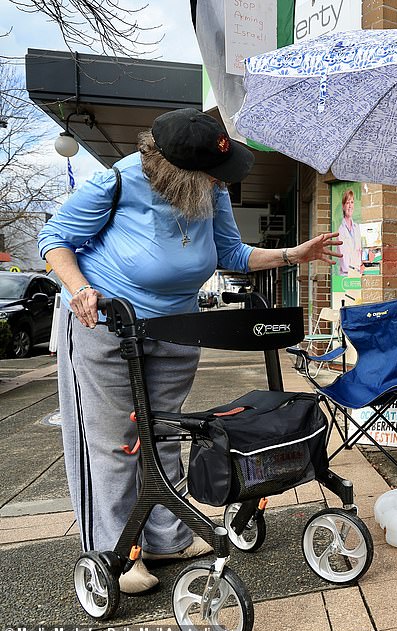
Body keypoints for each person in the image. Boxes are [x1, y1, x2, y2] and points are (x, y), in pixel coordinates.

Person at [38, 108, 341, 595]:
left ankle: (166, 537)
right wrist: (78, 288)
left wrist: (292, 254)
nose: (221, 182)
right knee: (116, 440)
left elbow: (232, 254)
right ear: (173, 171)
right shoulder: (116, 184)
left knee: (162, 433)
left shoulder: (210, 189)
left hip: (176, 326)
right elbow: (53, 240)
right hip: (106, 322)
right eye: (210, 174)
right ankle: (115, 553)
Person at [337, 189, 363, 276]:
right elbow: (345, 261)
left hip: (358, 274)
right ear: (343, 206)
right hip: (346, 277)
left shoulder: (357, 228)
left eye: (352, 202)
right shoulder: (340, 231)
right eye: (347, 203)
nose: (350, 206)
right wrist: (358, 264)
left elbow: (361, 251)